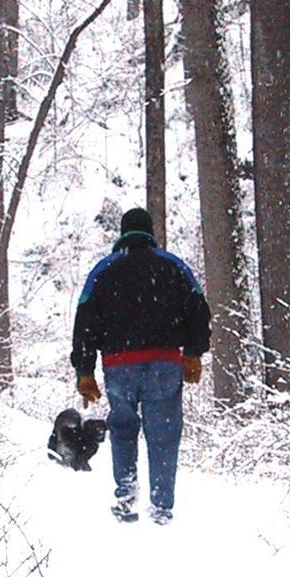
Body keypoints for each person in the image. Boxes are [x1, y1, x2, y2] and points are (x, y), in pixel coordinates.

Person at [70, 207, 210, 524]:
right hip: (164, 362)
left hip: (120, 365)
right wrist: (193, 351)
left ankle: (126, 495)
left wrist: (85, 370)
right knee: (163, 434)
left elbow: (85, 321)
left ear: (123, 234)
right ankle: (161, 507)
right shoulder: (174, 266)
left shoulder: (103, 271)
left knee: (122, 429)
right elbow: (199, 308)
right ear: (150, 234)